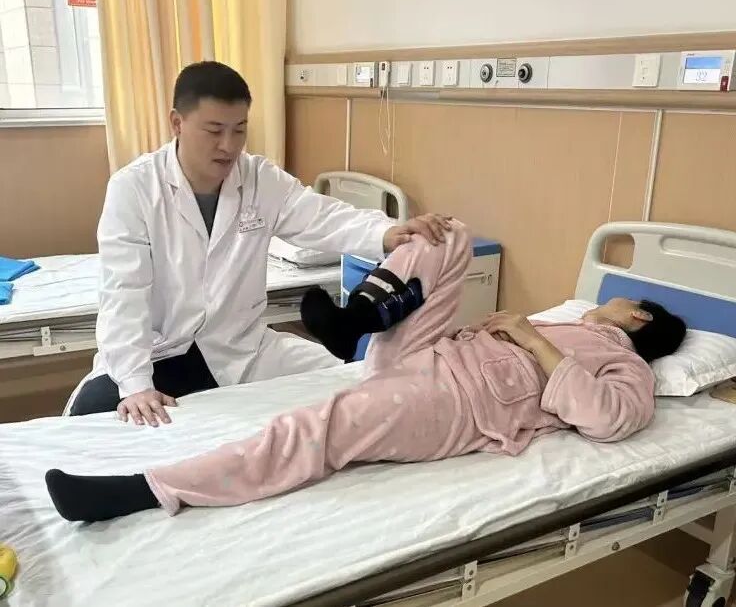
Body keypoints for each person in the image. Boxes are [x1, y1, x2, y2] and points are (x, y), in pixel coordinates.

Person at [46, 222, 687, 522]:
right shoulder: (565, 322)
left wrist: (529, 336)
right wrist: (524, 330)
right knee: (447, 235)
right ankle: (355, 320)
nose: (602, 302)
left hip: (452, 404)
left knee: (314, 428)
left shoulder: (626, 365)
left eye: (619, 301)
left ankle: (149, 488)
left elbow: (608, 419)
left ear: (637, 317)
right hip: (429, 356)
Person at [67, 61, 451, 426]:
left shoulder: (259, 178)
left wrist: (386, 233)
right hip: (158, 351)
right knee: (97, 413)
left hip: (238, 348)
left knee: (356, 379)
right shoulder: (134, 188)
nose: (228, 145)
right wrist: (135, 384)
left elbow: (320, 216)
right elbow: (125, 291)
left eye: (239, 130)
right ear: (177, 123)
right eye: (214, 130)